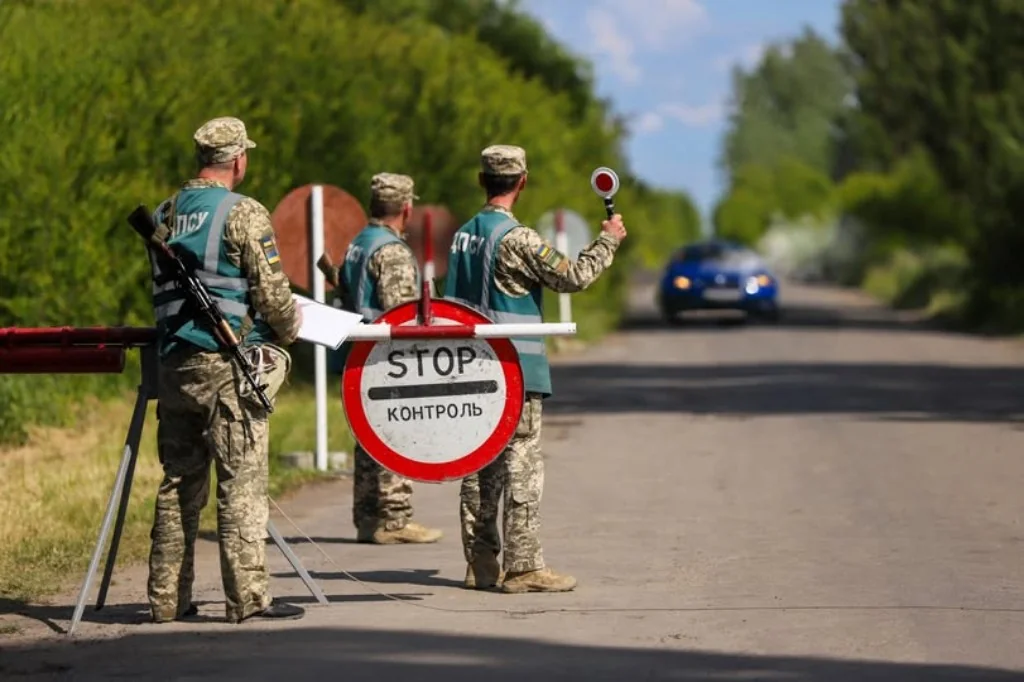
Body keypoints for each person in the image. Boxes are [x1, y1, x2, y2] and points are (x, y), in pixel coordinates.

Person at [445, 144, 627, 593]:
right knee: (521, 463)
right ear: (522, 182)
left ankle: (480, 563)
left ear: (482, 180)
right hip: (515, 370)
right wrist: (608, 240)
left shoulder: (462, 236)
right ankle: (524, 567)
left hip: (469, 369)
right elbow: (573, 277)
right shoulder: (519, 239)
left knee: (478, 465)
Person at [146, 116, 305, 624]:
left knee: (179, 482)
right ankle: (248, 598)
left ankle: (166, 600)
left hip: (174, 364)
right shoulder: (244, 213)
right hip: (226, 365)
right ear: (238, 160)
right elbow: (273, 298)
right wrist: (291, 327)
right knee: (241, 483)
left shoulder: (164, 213)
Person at [325, 172, 444, 545]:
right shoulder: (391, 250)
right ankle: (394, 520)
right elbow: (400, 312)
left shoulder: (359, 243)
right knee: (396, 432)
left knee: (367, 436)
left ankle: (367, 518)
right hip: (388, 359)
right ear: (406, 209)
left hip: (359, 353)